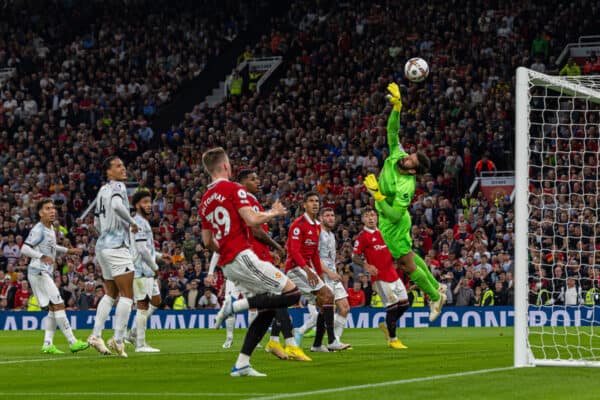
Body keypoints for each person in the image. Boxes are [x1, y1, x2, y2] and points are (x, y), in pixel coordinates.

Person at [199, 147, 302, 377]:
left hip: (228, 263)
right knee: (293, 294)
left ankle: (242, 363)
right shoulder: (233, 188)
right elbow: (253, 219)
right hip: (242, 257)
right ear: (226, 166)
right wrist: (274, 212)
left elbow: (207, 241)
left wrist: (225, 251)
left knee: (269, 307)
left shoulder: (205, 201)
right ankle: (233, 307)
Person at [363, 83, 446, 322]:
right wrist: (397, 108)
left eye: (411, 161)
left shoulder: (406, 186)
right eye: (410, 155)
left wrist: (377, 195)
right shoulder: (397, 155)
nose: (406, 158)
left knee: (406, 263)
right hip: (388, 216)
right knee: (408, 255)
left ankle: (433, 296)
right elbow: (392, 132)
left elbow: (396, 216)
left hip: (394, 221)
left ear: (414, 171)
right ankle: (436, 285)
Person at [21, 198, 89, 354]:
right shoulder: (38, 229)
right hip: (38, 271)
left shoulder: (50, 228)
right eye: (47, 208)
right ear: (40, 213)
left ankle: (47, 344)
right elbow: (24, 248)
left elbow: (51, 246)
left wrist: (68, 251)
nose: (52, 211)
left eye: (52, 208)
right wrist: (41, 256)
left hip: (44, 271)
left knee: (53, 308)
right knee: (58, 304)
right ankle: (72, 341)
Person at [285, 191, 350, 353]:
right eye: (311, 201)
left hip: (309, 269)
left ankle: (316, 344)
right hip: (295, 268)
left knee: (324, 302)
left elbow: (314, 253)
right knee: (328, 297)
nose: (315, 204)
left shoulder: (315, 227)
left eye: (317, 201)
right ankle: (332, 340)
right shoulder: (298, 225)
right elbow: (293, 251)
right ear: (304, 205)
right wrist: (308, 270)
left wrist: (319, 274)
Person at [87, 156, 139, 358]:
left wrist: (105, 233)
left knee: (110, 294)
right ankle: (118, 339)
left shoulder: (102, 190)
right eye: (118, 166)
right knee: (127, 295)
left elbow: (96, 223)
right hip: (116, 246)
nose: (123, 168)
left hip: (102, 246)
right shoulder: (118, 187)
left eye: (123, 165)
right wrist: (131, 221)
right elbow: (118, 207)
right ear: (109, 172)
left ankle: (95, 335)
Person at [352, 207, 410, 349]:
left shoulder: (385, 232)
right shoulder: (362, 237)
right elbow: (354, 256)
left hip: (393, 274)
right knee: (393, 306)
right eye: (367, 216)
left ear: (377, 217)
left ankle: (387, 325)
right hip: (380, 277)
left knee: (405, 304)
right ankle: (393, 339)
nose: (371, 218)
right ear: (363, 219)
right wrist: (366, 266)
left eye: (373, 215)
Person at [125, 190, 171, 353]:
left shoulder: (142, 222)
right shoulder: (138, 222)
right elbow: (142, 250)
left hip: (146, 270)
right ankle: (140, 344)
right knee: (143, 305)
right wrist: (155, 266)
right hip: (141, 270)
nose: (148, 205)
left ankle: (132, 334)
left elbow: (147, 249)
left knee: (156, 301)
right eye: (144, 202)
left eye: (149, 202)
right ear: (137, 205)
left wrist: (159, 255)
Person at [316, 207, 351, 346]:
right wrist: (328, 273)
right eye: (327, 215)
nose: (331, 218)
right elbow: (315, 257)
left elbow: (329, 257)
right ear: (321, 218)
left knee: (345, 308)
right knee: (325, 309)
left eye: (332, 215)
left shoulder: (331, 235)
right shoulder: (318, 233)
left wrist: (335, 270)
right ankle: (326, 341)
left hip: (332, 274)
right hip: (323, 275)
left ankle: (334, 339)